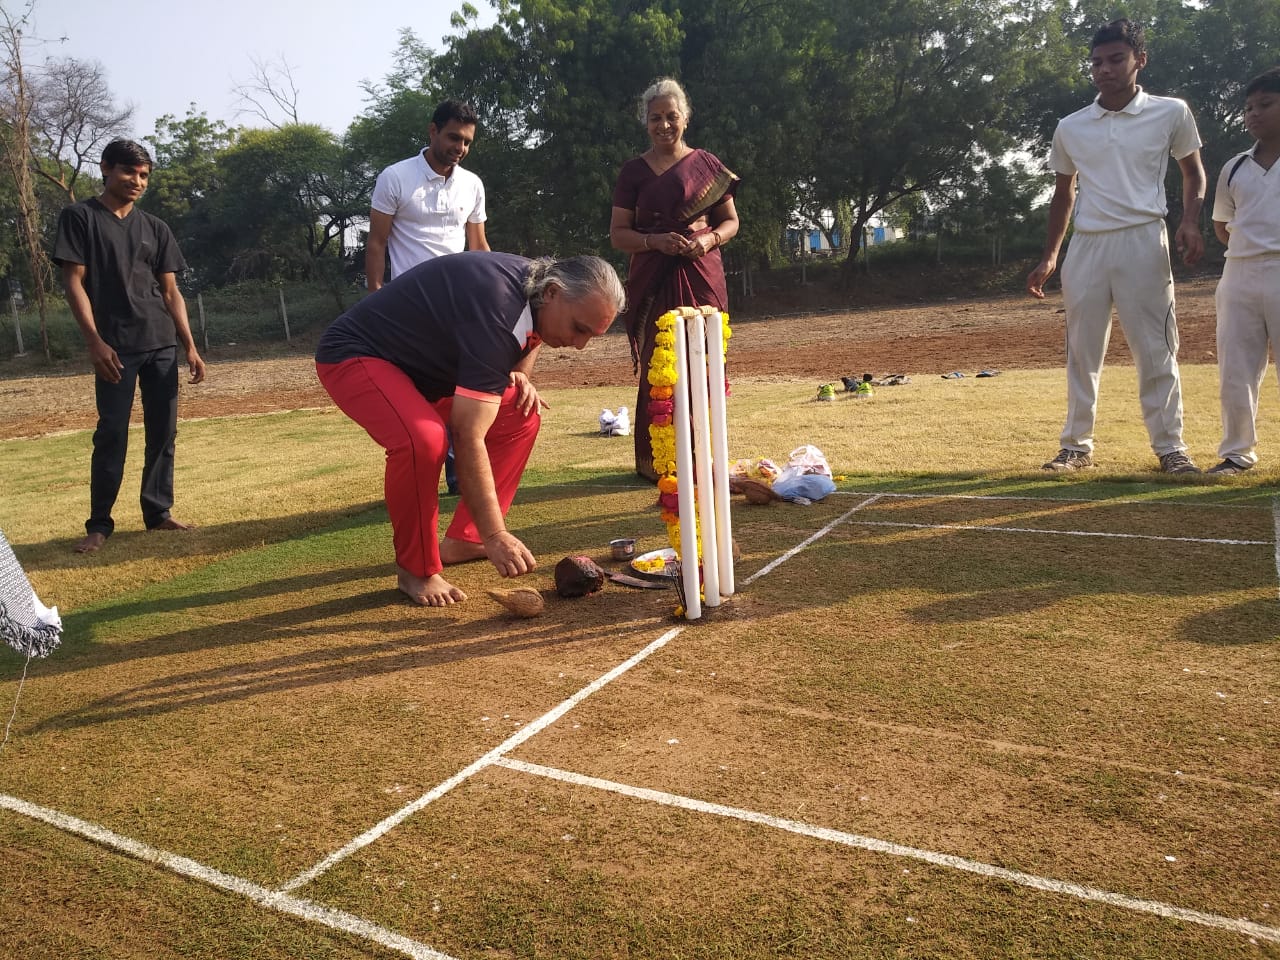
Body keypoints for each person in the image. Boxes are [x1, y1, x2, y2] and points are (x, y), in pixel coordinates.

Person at [315, 252, 625, 607]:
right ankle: (416, 570)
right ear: (552, 292)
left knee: (519, 413)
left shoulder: (538, 290)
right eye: (579, 329)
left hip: (425, 374)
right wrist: (497, 534)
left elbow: (532, 331)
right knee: (423, 441)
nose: (580, 345)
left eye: (591, 336)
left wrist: (520, 373)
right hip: (356, 355)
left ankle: (466, 538)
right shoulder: (499, 308)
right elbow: (466, 433)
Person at [1027, 19, 1206, 475]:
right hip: (1087, 245)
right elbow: (1064, 193)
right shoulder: (1071, 126)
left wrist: (1190, 221)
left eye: (1115, 59)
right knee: (1081, 350)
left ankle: (1171, 448)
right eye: (1096, 62)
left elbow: (1192, 172)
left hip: (1144, 239)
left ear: (1139, 60)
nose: (1104, 69)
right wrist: (1051, 255)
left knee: (1156, 347)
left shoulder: (1171, 112)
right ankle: (1075, 447)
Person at [53, 138, 207, 554]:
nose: (137, 181)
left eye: (143, 175)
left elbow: (171, 292)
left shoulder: (155, 227)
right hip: (114, 348)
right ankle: (99, 525)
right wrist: (95, 342)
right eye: (128, 172)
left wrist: (189, 346)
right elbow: (73, 283)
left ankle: (158, 513)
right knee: (112, 434)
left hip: (160, 343)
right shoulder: (80, 217)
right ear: (106, 168)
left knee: (163, 432)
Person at [610, 77, 740, 482]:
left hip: (701, 273)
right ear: (645, 122)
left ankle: (703, 455)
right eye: (655, 118)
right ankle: (659, 462)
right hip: (654, 276)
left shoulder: (707, 164)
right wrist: (654, 242)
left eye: (671, 116)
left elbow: (731, 222)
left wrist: (708, 240)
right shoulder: (633, 172)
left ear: (686, 117)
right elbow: (619, 234)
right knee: (660, 362)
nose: (664, 125)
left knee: (703, 358)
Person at [366, 99, 490, 495]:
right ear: (432, 131)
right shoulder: (395, 177)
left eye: (467, 142)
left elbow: (478, 245)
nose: (460, 148)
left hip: (459, 306)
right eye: (453, 137)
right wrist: (375, 299)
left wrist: (492, 296)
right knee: (415, 395)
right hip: (408, 309)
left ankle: (459, 478)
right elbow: (377, 242)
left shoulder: (471, 184)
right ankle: (417, 476)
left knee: (460, 391)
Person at [1207, 67, 1280, 476]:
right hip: (1238, 273)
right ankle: (1237, 452)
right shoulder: (1234, 167)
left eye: (1265, 104)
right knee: (1236, 369)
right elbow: (1223, 224)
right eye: (1249, 107)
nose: (1254, 114)